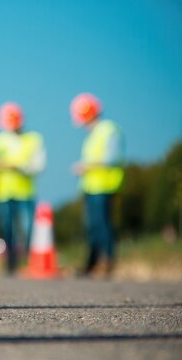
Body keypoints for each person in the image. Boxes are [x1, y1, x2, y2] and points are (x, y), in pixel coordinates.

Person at [70, 93, 124, 277]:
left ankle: (107, 260)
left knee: (102, 224)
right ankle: (92, 263)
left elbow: (112, 158)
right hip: (91, 187)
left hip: (105, 185)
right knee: (92, 226)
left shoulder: (109, 130)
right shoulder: (92, 135)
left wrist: (86, 166)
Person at [0, 102, 46, 274]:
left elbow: (39, 165)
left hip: (25, 192)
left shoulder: (33, 139)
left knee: (28, 228)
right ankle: (11, 263)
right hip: (3, 192)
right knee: (8, 229)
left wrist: (18, 167)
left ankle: (29, 261)